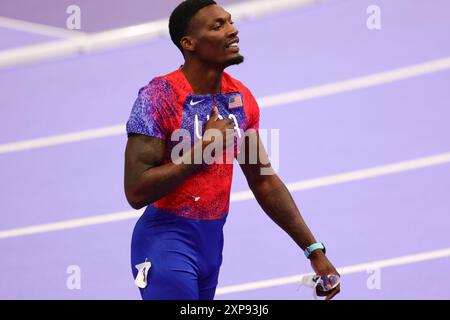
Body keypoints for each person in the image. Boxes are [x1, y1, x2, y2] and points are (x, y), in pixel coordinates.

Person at [124, 0, 340, 300]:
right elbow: (135, 191)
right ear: (189, 43)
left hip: (211, 246)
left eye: (230, 22)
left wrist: (313, 250)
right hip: (165, 242)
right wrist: (202, 152)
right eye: (218, 26)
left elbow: (264, 180)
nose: (233, 30)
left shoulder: (241, 99)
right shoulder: (158, 97)